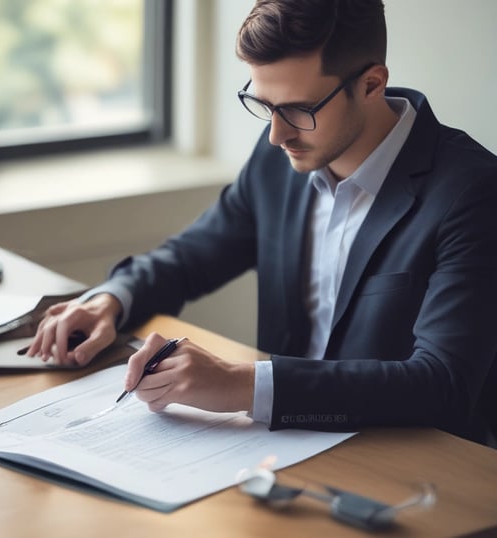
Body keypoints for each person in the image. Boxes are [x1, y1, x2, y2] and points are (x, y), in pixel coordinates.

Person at [27, 0, 497, 446]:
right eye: (264, 104)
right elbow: (194, 254)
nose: (276, 134)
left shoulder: (472, 192)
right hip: (277, 454)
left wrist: (240, 383)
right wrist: (111, 298)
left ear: (372, 84)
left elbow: (444, 383)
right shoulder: (283, 155)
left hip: (415, 467)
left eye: (299, 109)